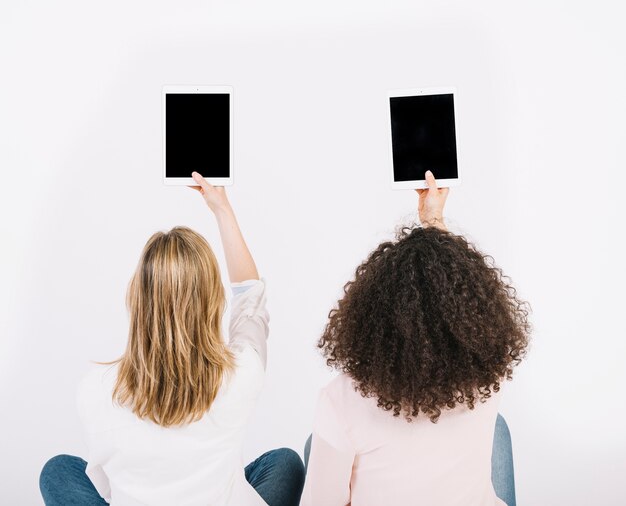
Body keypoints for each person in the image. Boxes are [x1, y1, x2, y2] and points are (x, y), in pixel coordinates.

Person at [40, 172, 305, 506]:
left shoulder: (96, 390)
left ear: (137, 298)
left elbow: (109, 490)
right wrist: (222, 208)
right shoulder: (242, 374)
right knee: (285, 464)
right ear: (211, 301)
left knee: (59, 470)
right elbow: (251, 298)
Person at [301, 170, 530, 506]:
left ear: (373, 313)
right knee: (498, 431)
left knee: (318, 445)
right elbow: (454, 291)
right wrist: (434, 220)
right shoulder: (486, 376)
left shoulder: (343, 400)